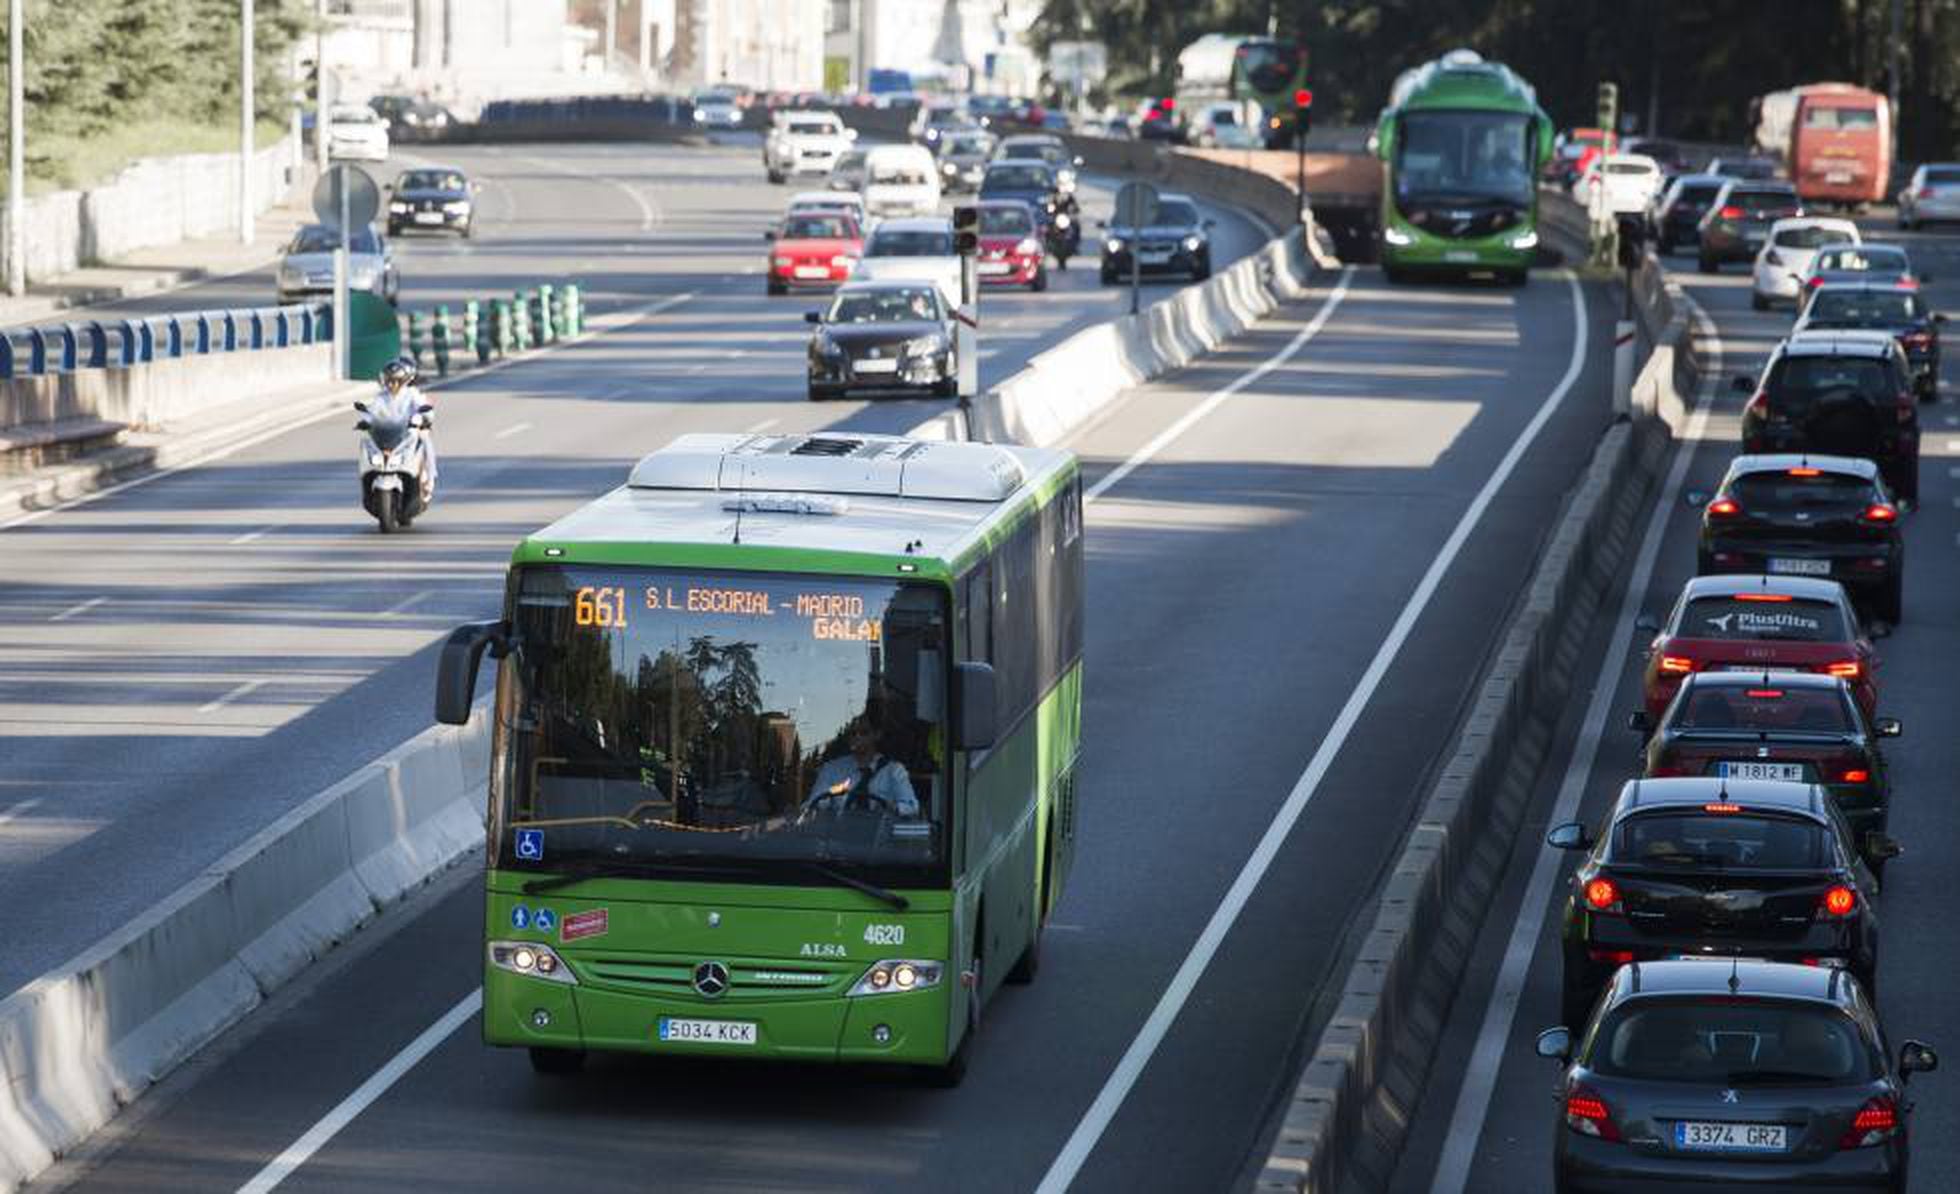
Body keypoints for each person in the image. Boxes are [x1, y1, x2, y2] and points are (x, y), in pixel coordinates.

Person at [804, 717, 919, 817]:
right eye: (853, 733)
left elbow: (912, 807)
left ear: (877, 735)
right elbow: (814, 802)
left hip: (880, 836)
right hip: (839, 836)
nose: (857, 737)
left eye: (864, 733)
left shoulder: (894, 771)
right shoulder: (831, 769)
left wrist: (892, 807)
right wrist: (831, 794)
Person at [371, 355, 436, 492]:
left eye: (396, 381)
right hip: (388, 433)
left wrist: (424, 417)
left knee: (424, 439)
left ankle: (430, 476)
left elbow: (423, 407)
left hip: (407, 431)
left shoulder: (411, 393)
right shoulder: (381, 396)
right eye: (390, 380)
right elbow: (372, 411)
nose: (392, 384)